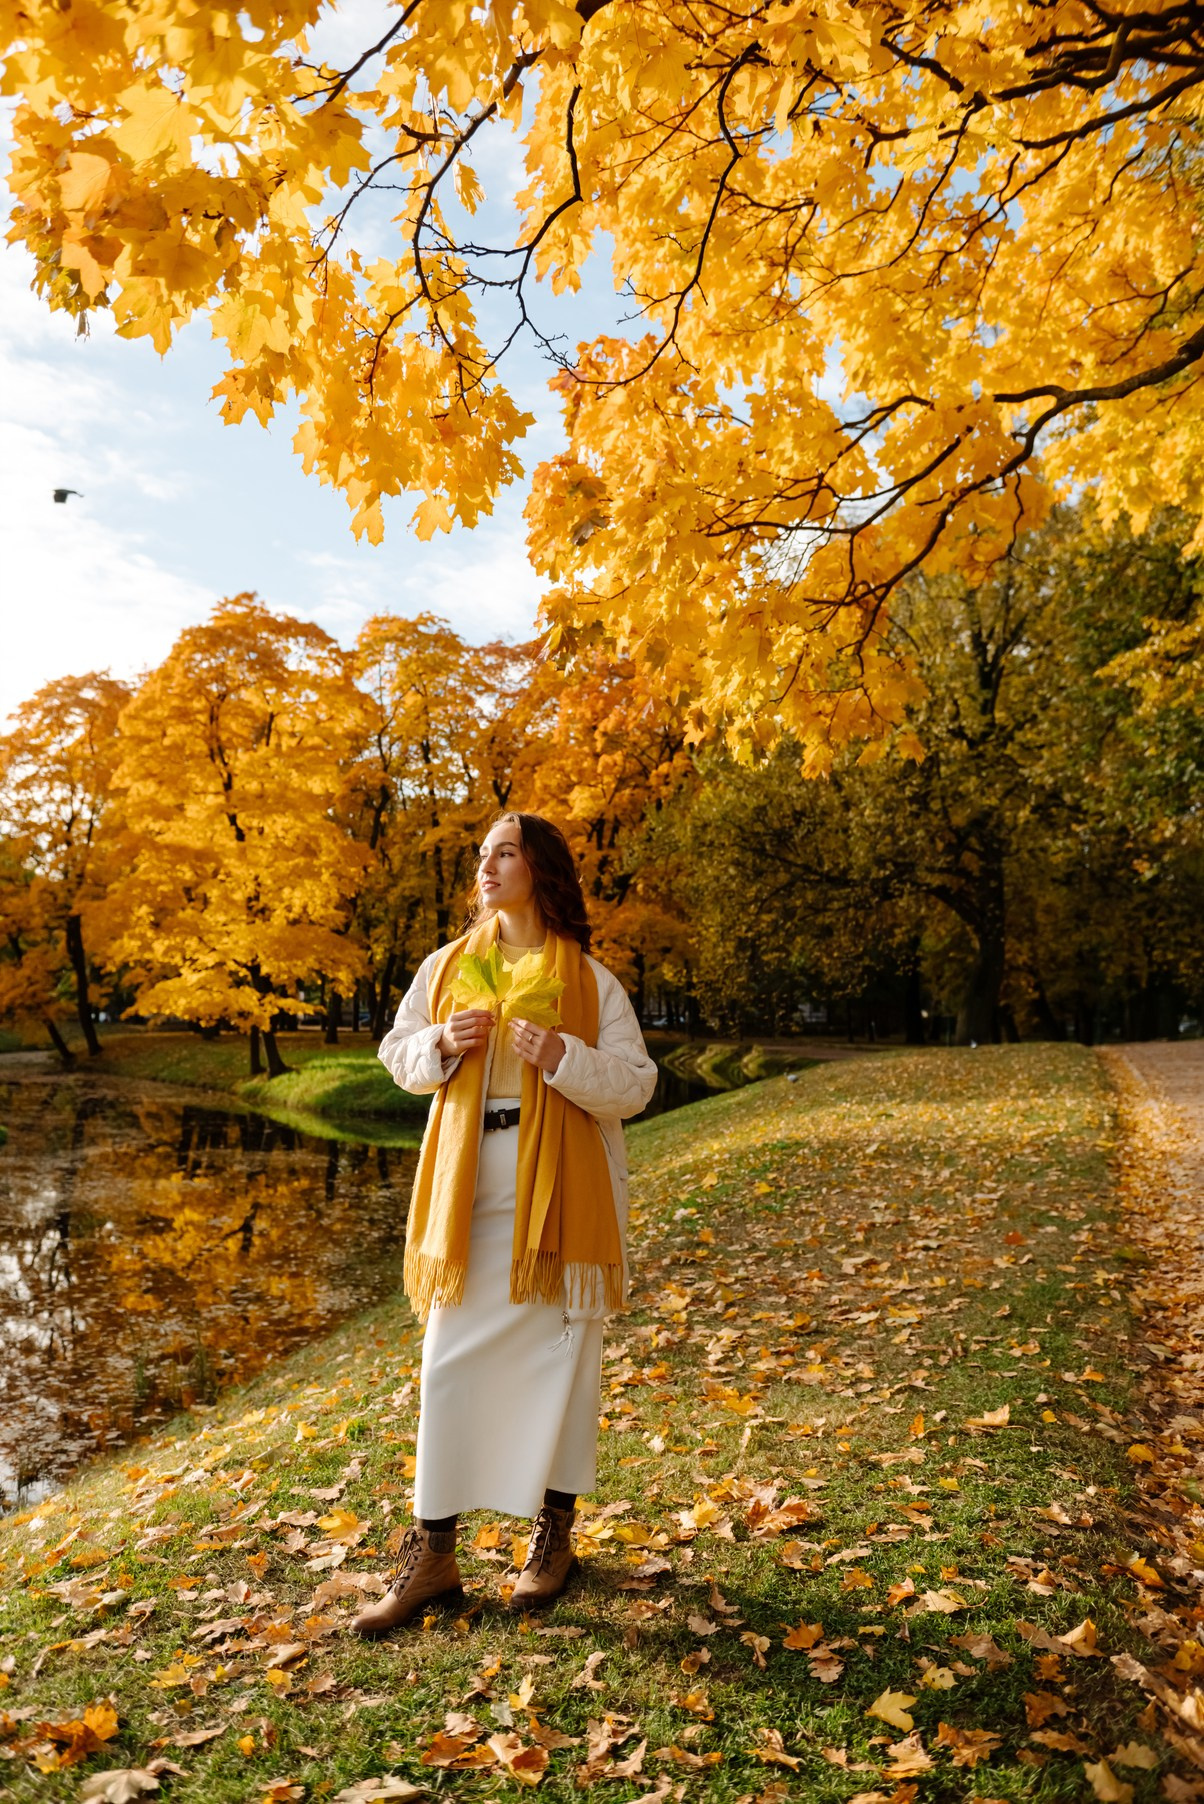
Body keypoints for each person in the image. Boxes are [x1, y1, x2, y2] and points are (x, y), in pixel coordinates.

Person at [352, 812, 658, 1636]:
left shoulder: (591, 982)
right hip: (467, 1198)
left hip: (565, 1198)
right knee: (446, 1365)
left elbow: (635, 1085)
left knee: (561, 1371)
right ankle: (435, 1554)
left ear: (542, 869)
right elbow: (398, 1053)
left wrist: (562, 1056)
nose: (487, 866)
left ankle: (552, 1541)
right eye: (483, 854)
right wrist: (440, 1045)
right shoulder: (449, 967)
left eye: (506, 853)